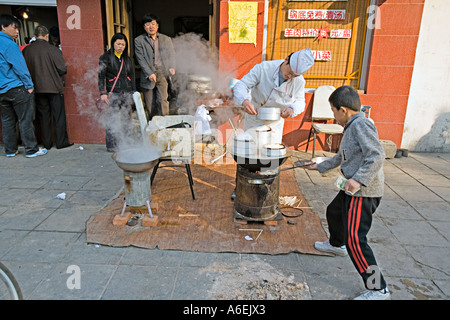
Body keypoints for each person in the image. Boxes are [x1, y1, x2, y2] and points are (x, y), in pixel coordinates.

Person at [305, 85, 389, 300]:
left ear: (343, 110)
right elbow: (343, 156)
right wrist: (319, 166)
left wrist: (358, 180)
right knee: (334, 211)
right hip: (352, 187)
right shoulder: (352, 126)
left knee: (356, 240)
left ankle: (378, 288)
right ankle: (336, 244)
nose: (333, 116)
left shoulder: (361, 125)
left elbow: (377, 154)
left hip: (363, 192)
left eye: (333, 111)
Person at [231, 48, 314, 199]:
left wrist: (292, 109)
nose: (290, 77)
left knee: (269, 158)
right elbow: (241, 85)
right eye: (289, 72)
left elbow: (300, 101)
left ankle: (265, 192)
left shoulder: (299, 81)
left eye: (294, 75)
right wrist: (244, 100)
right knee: (247, 154)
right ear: (286, 60)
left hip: (275, 122)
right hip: (254, 116)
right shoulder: (264, 68)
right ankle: (241, 188)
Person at [0, 14, 47, 158]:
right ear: (3, 27)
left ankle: (10, 150)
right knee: (25, 119)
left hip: (2, 90)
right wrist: (29, 85)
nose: (17, 31)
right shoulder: (9, 44)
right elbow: (20, 67)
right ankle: (31, 149)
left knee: (7, 121)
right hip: (16, 87)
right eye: (14, 27)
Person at [22, 25, 72, 150]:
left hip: (36, 88)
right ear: (46, 36)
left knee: (43, 116)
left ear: (35, 36)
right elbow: (62, 68)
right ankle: (61, 142)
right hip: (54, 87)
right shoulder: (52, 49)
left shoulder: (27, 50)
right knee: (58, 115)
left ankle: (47, 143)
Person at [98, 32, 136, 152]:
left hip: (126, 92)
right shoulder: (105, 57)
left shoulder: (128, 59)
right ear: (113, 44)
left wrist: (134, 92)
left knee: (126, 119)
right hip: (112, 93)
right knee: (112, 119)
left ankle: (127, 142)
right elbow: (101, 76)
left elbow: (132, 76)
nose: (121, 46)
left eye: (123, 44)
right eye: (118, 44)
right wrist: (102, 92)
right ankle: (111, 144)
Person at [134, 13, 176, 119]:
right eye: (148, 24)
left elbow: (171, 55)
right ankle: (153, 125)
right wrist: (149, 73)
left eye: (153, 24)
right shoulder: (139, 40)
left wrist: (172, 66)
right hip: (147, 74)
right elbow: (141, 59)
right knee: (149, 103)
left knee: (163, 99)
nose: (151, 27)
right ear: (144, 27)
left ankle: (165, 124)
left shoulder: (166, 39)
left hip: (162, 72)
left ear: (157, 25)